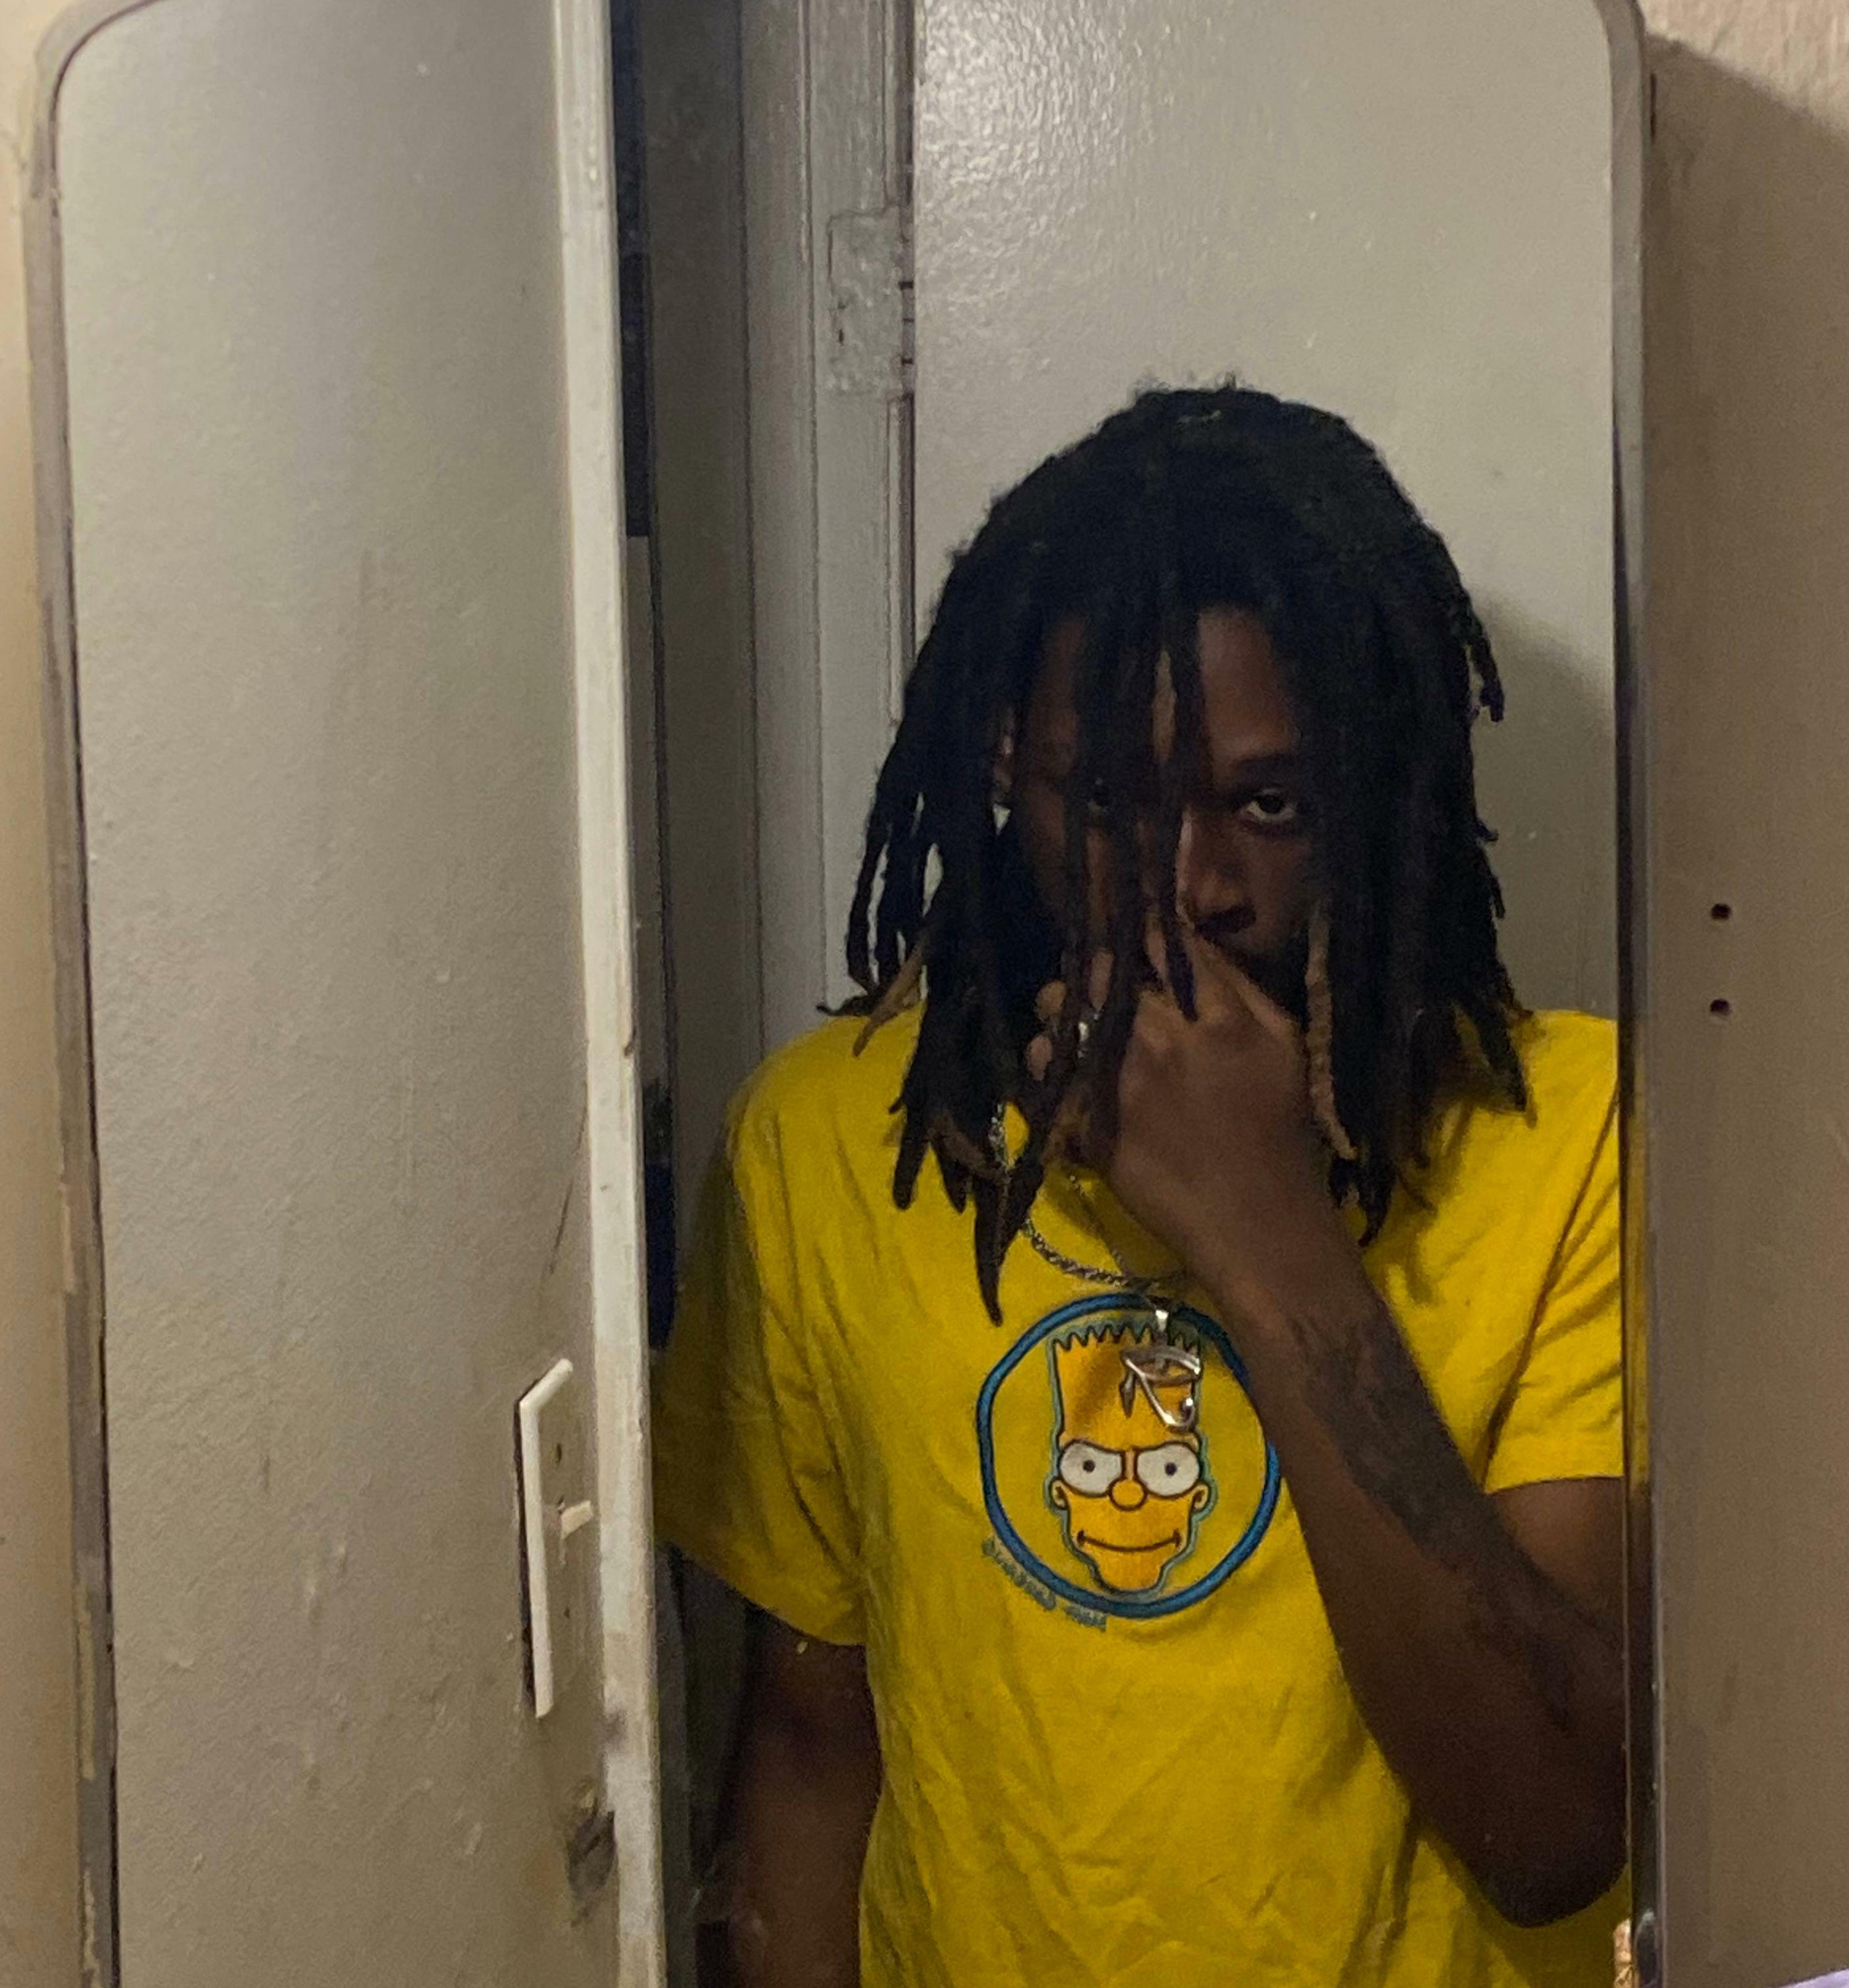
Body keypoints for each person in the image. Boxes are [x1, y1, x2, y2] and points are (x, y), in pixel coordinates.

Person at [653, 385, 1626, 1986]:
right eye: (1108, 803)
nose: (1191, 890)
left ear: (1377, 786)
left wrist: (1262, 1224)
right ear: (1003, 768)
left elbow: (1553, 1825)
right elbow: (814, 1751)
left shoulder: (1577, 1138)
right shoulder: (823, 1145)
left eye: (1268, 803)